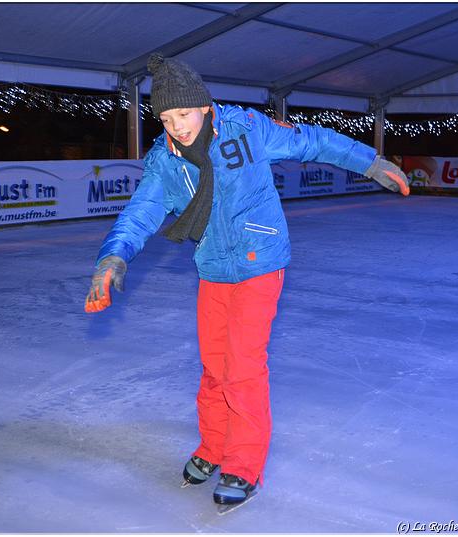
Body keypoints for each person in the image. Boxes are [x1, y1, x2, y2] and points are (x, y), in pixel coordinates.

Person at [84, 53, 409, 510]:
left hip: (260, 261)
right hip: (214, 267)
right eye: (165, 117)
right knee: (214, 366)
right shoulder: (165, 161)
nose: (176, 125)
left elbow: (311, 141)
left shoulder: (246, 129)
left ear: (204, 107)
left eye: (183, 114)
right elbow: (141, 212)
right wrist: (113, 256)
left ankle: (243, 463)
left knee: (242, 367)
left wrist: (369, 162)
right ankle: (213, 446)